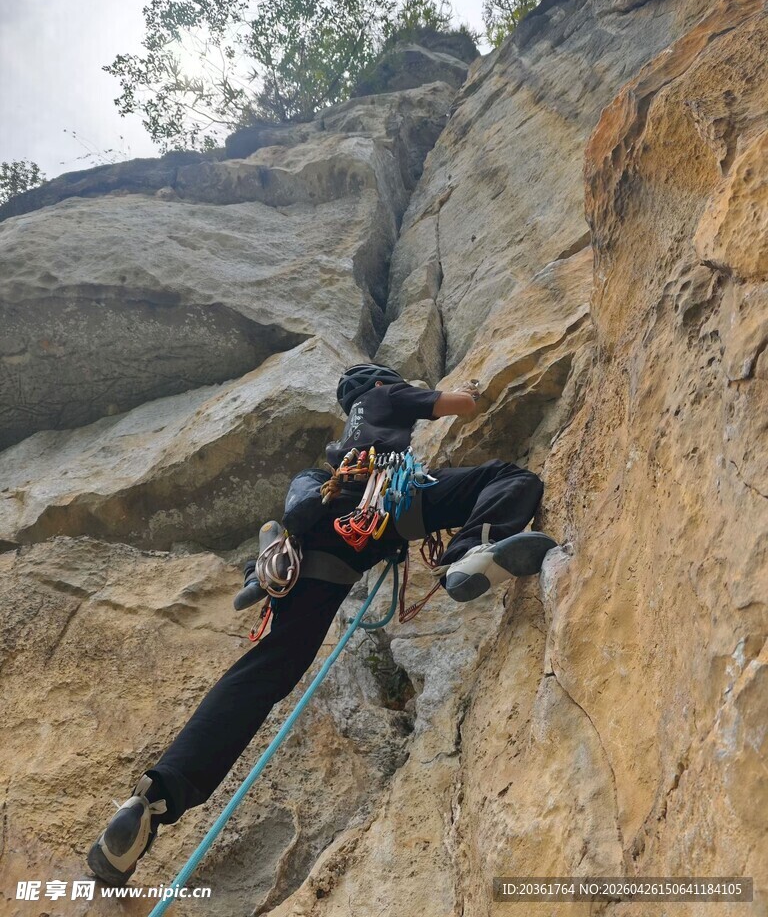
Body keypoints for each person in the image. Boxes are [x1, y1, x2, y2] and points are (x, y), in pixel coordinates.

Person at [87, 364, 556, 886]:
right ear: (378, 384)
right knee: (508, 478)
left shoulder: (328, 456)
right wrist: (469, 390)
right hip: (389, 501)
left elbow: (317, 492)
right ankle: (473, 553)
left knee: (265, 671)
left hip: (319, 538)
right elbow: (460, 405)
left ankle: (154, 799)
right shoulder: (387, 396)